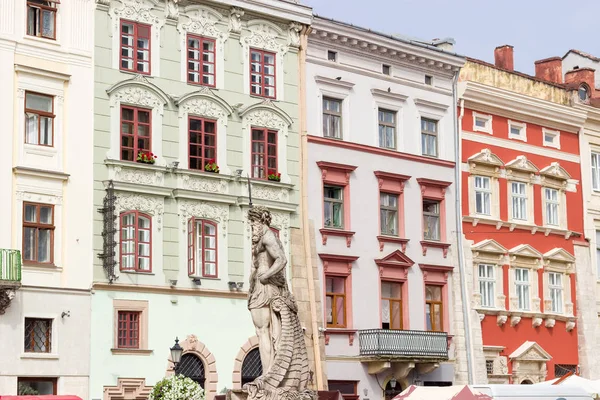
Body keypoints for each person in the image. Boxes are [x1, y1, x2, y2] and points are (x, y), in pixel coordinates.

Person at [247, 206, 289, 373]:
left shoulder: (268, 236)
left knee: (264, 330)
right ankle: (268, 371)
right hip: (258, 286)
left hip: (265, 288)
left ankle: (268, 372)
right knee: (261, 331)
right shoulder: (261, 238)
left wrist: (265, 276)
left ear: (260, 222)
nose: (251, 228)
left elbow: (281, 259)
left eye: (253, 224)